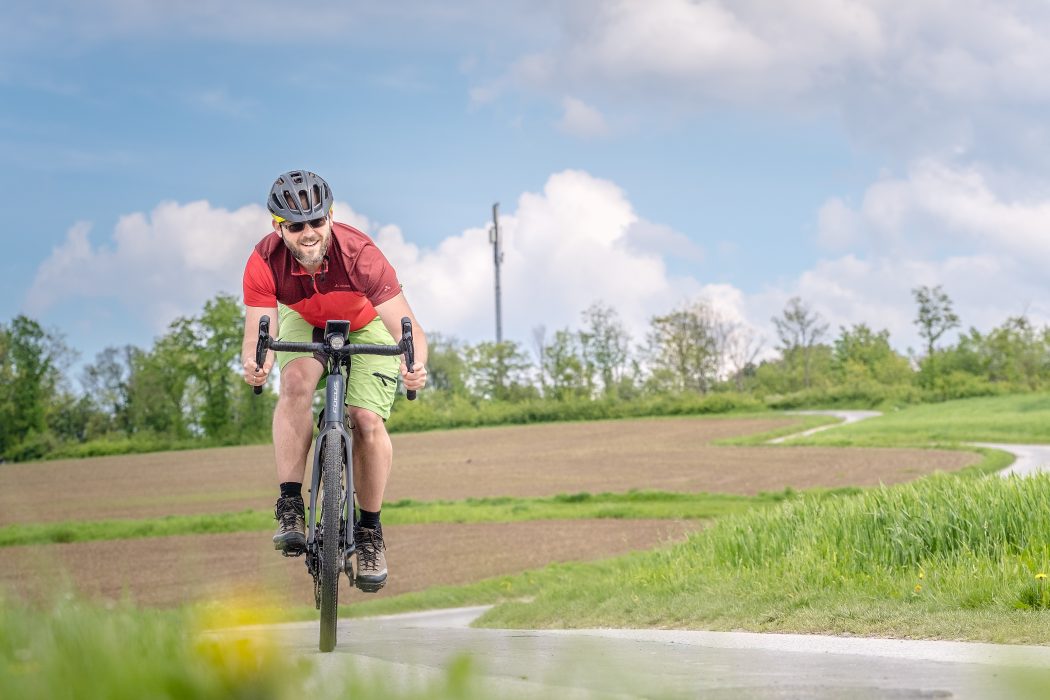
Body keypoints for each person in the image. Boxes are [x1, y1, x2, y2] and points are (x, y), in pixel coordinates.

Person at [240, 170, 428, 592]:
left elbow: (407, 327)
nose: (308, 234)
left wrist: (414, 366)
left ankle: (369, 533)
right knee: (294, 386)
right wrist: (256, 363)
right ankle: (290, 503)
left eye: (316, 222)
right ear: (278, 227)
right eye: (295, 226)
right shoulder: (264, 261)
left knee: (365, 420)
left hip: (364, 325)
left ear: (330, 217)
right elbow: (258, 333)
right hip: (304, 319)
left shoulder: (360, 253)